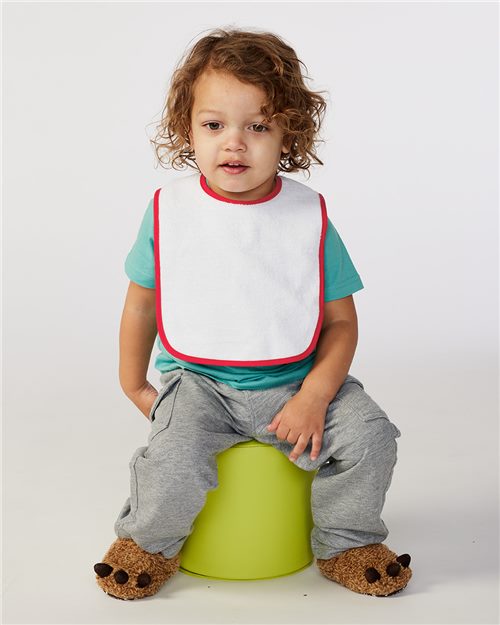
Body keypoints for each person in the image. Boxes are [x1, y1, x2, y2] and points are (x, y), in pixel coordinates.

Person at [93, 27, 412, 600]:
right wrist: (133, 382)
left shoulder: (307, 217)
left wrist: (315, 396)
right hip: (200, 385)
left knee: (372, 437)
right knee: (171, 458)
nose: (234, 144)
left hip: (297, 383)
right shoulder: (170, 212)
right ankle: (148, 544)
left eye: (258, 127)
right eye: (214, 125)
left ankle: (346, 541)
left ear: (289, 132)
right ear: (187, 128)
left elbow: (341, 323)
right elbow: (142, 303)